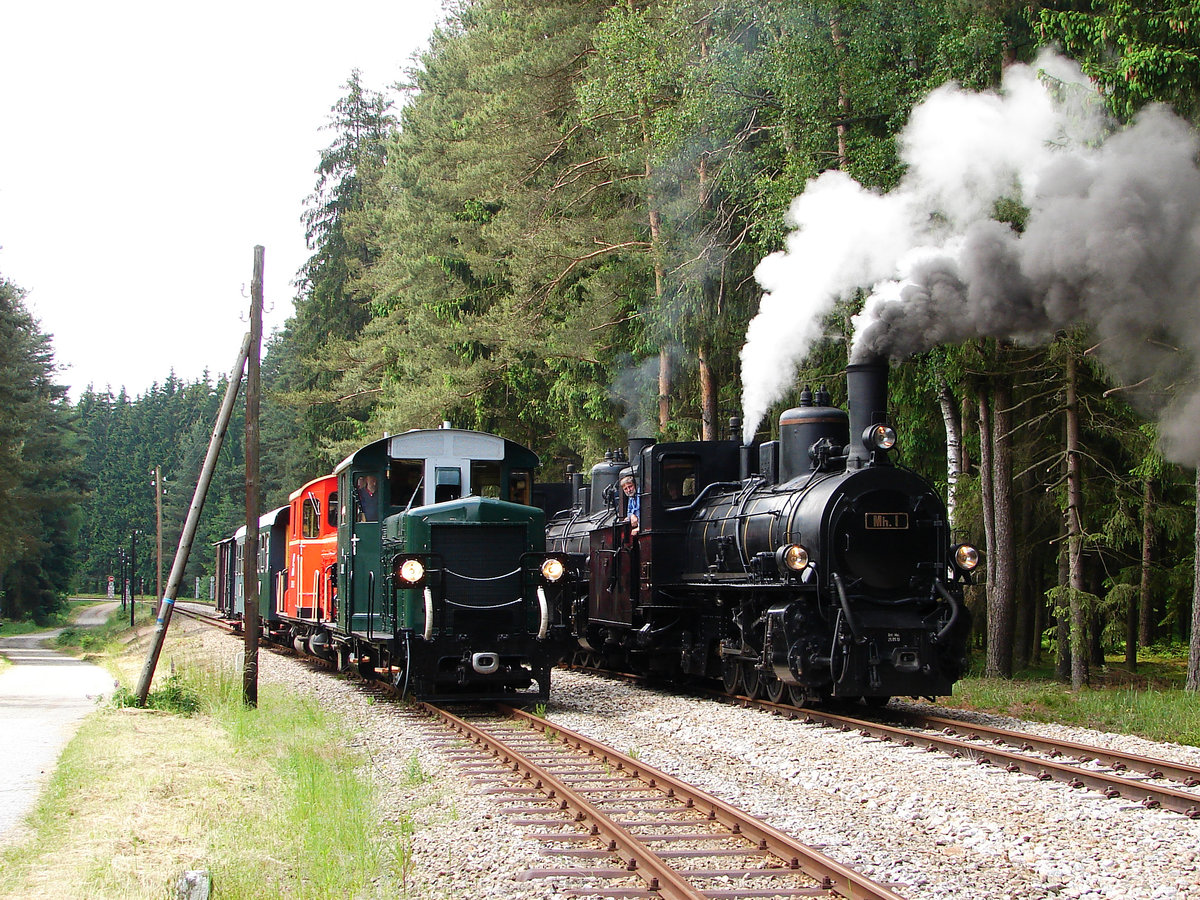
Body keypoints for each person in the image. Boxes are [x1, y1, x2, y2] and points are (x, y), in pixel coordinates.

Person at [619, 471, 640, 535]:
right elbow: (629, 512)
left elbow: (643, 510)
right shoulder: (631, 497)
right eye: (625, 489)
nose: (628, 490)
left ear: (635, 485)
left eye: (630, 486)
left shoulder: (640, 493)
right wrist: (631, 516)